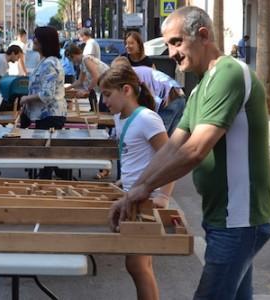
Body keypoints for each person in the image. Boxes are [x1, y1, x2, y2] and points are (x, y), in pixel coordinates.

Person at [109, 7, 270, 299]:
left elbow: (196, 149)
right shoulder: (200, 90)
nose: (171, 52)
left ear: (203, 35)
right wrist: (134, 190)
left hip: (239, 219)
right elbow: (173, 146)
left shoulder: (229, 73)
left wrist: (144, 188)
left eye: (176, 42)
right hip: (223, 217)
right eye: (168, 44)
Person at [99, 64, 174, 300]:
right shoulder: (121, 118)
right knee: (140, 265)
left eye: (108, 94)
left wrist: (163, 196)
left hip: (146, 200)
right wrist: (123, 180)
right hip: (132, 196)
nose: (104, 101)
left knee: (137, 265)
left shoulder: (147, 119)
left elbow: (170, 158)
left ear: (127, 90)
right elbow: (137, 158)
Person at [19, 26, 67, 179]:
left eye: (36, 37)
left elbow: (47, 94)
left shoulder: (49, 63)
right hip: (45, 116)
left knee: (47, 158)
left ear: (43, 42)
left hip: (50, 116)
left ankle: (44, 190)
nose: (33, 40)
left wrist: (26, 99)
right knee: (46, 158)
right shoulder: (46, 61)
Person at [112, 56, 186, 135]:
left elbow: (148, 101)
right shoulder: (139, 70)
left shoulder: (131, 77)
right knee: (173, 137)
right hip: (178, 94)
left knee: (159, 135)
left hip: (169, 97)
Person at [66, 44, 110, 110]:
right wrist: (68, 88)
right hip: (105, 87)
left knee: (104, 109)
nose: (72, 62)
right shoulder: (82, 63)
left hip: (109, 85)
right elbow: (80, 81)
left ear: (73, 55)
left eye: (70, 59)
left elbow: (96, 76)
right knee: (102, 108)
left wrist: (87, 90)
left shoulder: (86, 59)